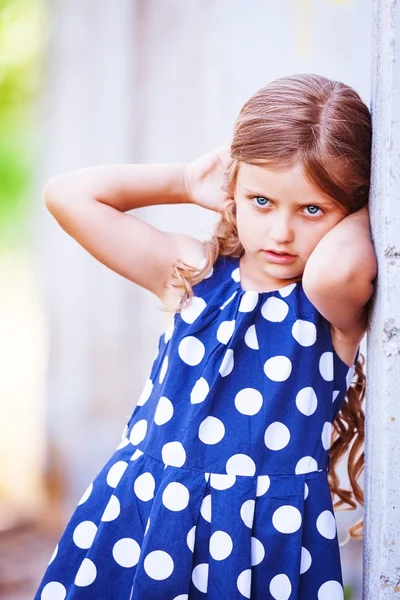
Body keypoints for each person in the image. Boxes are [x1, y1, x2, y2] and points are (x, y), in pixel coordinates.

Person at [34, 73, 376, 600]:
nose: (281, 232)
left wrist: (366, 195)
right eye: (262, 200)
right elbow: (68, 195)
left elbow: (336, 266)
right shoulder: (194, 272)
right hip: (147, 514)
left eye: (312, 209)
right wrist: (186, 180)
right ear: (231, 191)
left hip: (260, 539)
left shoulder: (326, 303)